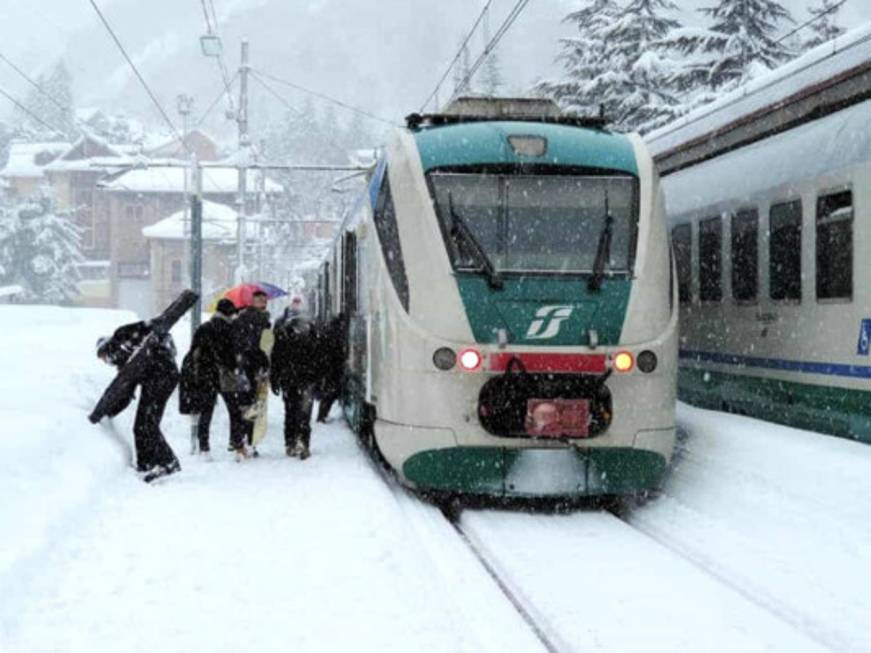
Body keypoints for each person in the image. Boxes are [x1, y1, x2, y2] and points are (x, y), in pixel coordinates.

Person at [96, 320, 181, 481]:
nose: (106, 361)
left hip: (162, 375)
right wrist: (109, 414)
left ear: (107, 347)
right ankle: (145, 465)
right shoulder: (126, 362)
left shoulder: (121, 335)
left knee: (148, 423)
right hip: (157, 379)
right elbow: (126, 394)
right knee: (140, 426)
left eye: (103, 356)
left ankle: (168, 462)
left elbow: (151, 325)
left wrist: (157, 343)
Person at [180, 299, 248, 458]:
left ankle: (204, 448)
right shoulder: (231, 329)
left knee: (206, 411)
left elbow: (194, 351)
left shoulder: (204, 328)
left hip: (206, 375)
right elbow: (234, 354)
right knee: (235, 410)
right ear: (229, 313)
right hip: (226, 375)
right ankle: (237, 443)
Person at [271, 303, 322, 459]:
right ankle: (303, 442)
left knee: (290, 412)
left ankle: (290, 443)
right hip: (307, 379)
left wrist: (275, 379)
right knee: (304, 413)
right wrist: (319, 379)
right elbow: (319, 358)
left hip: (289, 379)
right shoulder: (312, 332)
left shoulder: (281, 331)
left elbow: (276, 358)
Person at [233, 290, 271, 456]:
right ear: (253, 302)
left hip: (243, 367)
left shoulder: (241, 319)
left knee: (245, 405)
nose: (263, 303)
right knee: (252, 406)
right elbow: (262, 347)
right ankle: (247, 442)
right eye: (260, 300)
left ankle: (242, 443)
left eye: (264, 300)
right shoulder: (259, 320)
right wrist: (262, 364)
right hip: (253, 368)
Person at [316, 312, 347, 423]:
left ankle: (322, 415)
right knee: (331, 392)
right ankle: (322, 416)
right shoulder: (336, 332)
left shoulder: (330, 329)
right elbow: (336, 350)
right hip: (333, 366)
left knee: (330, 391)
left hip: (329, 366)